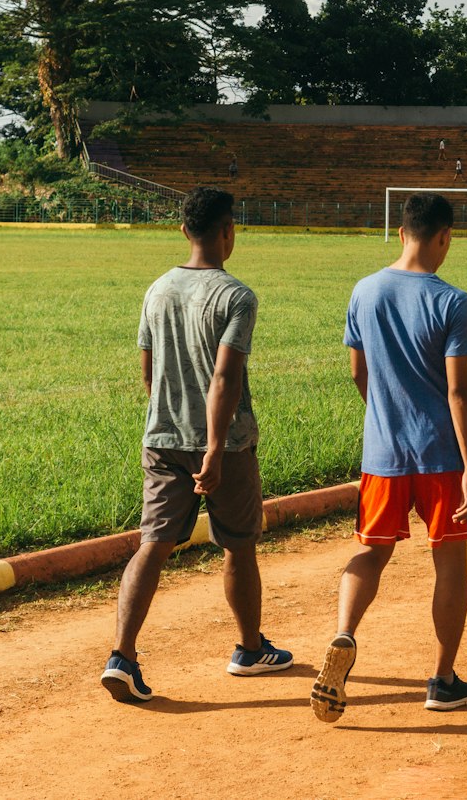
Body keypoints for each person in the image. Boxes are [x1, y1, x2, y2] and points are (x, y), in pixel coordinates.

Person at [101, 187, 292, 703]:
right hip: (225, 445)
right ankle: (249, 649)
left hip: (162, 437)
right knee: (238, 543)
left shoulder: (157, 290)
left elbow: (148, 368)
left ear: (184, 230)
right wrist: (211, 449)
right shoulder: (236, 296)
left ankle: (122, 655)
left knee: (153, 544)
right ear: (228, 231)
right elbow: (225, 378)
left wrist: (172, 422)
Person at [312, 193, 467, 724]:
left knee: (372, 550)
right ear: (443, 236)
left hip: (383, 452)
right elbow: (458, 391)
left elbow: (357, 372)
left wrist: (385, 414)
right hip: (440, 456)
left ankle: (344, 631)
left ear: (401, 231)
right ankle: (443, 680)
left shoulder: (365, 291)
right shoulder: (453, 301)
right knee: (448, 560)